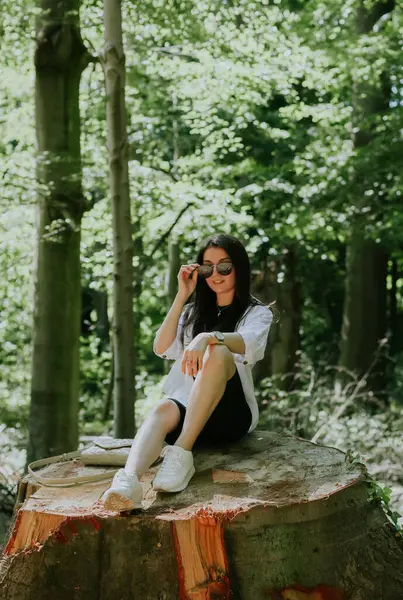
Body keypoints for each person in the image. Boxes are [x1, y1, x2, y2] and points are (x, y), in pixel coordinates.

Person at [101, 233, 272, 510]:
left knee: (218, 351)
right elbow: (161, 346)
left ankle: (180, 453)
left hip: (229, 416)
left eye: (225, 267)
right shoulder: (192, 312)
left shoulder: (256, 313)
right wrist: (182, 295)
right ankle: (128, 482)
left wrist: (207, 337)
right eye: (207, 267)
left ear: (238, 268)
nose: (216, 274)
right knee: (163, 408)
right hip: (187, 409)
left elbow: (249, 344)